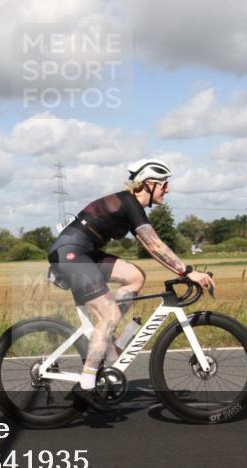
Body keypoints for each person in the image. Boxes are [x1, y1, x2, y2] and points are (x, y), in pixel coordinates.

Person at [47, 159, 215, 412]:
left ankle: (108, 340)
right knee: (110, 314)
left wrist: (181, 270)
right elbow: (154, 245)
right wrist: (187, 272)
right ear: (147, 184)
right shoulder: (129, 203)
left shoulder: (130, 205)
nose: (167, 190)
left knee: (135, 276)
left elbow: (151, 247)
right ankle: (86, 385)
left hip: (84, 253)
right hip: (71, 254)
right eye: (163, 185)